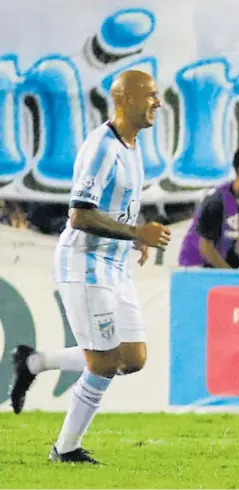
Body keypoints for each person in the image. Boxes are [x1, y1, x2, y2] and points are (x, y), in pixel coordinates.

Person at [8, 70, 171, 464]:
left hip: (116, 265)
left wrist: (134, 238)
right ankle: (65, 450)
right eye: (150, 95)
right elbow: (80, 216)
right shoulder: (102, 148)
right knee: (103, 364)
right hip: (86, 264)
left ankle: (34, 362)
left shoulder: (132, 147)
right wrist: (135, 230)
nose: (158, 102)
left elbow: (115, 206)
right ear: (126, 99)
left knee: (132, 358)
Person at [177, 147, 239, 269]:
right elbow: (206, 248)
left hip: (225, 269)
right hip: (196, 268)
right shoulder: (216, 200)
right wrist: (230, 276)